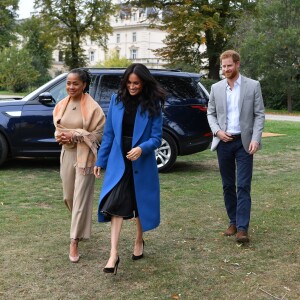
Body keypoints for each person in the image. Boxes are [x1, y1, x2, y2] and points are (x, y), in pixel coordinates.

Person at [94, 63, 166, 275]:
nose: (132, 87)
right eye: (129, 82)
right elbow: (109, 134)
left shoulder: (153, 105)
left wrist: (141, 149)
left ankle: (138, 239)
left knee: (140, 204)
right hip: (119, 162)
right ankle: (113, 254)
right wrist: (101, 160)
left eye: (136, 83)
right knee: (116, 204)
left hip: (141, 163)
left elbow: (156, 138)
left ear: (143, 83)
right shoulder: (116, 100)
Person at [207, 50, 265, 243]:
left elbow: (259, 114)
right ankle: (232, 222)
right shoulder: (216, 88)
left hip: (244, 143)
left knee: (243, 186)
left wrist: (256, 138)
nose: (226, 69)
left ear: (238, 64)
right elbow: (211, 114)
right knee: (227, 185)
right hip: (224, 142)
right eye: (223, 66)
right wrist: (217, 131)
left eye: (229, 65)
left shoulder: (253, 86)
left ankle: (242, 229)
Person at [53, 68, 106, 262]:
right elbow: (58, 129)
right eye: (68, 83)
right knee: (68, 197)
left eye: (75, 83)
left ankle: (74, 240)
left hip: (86, 158)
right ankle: (79, 224)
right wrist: (62, 137)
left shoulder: (93, 108)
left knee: (81, 198)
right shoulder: (61, 105)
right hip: (67, 154)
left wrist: (75, 134)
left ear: (84, 85)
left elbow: (99, 135)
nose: (71, 87)